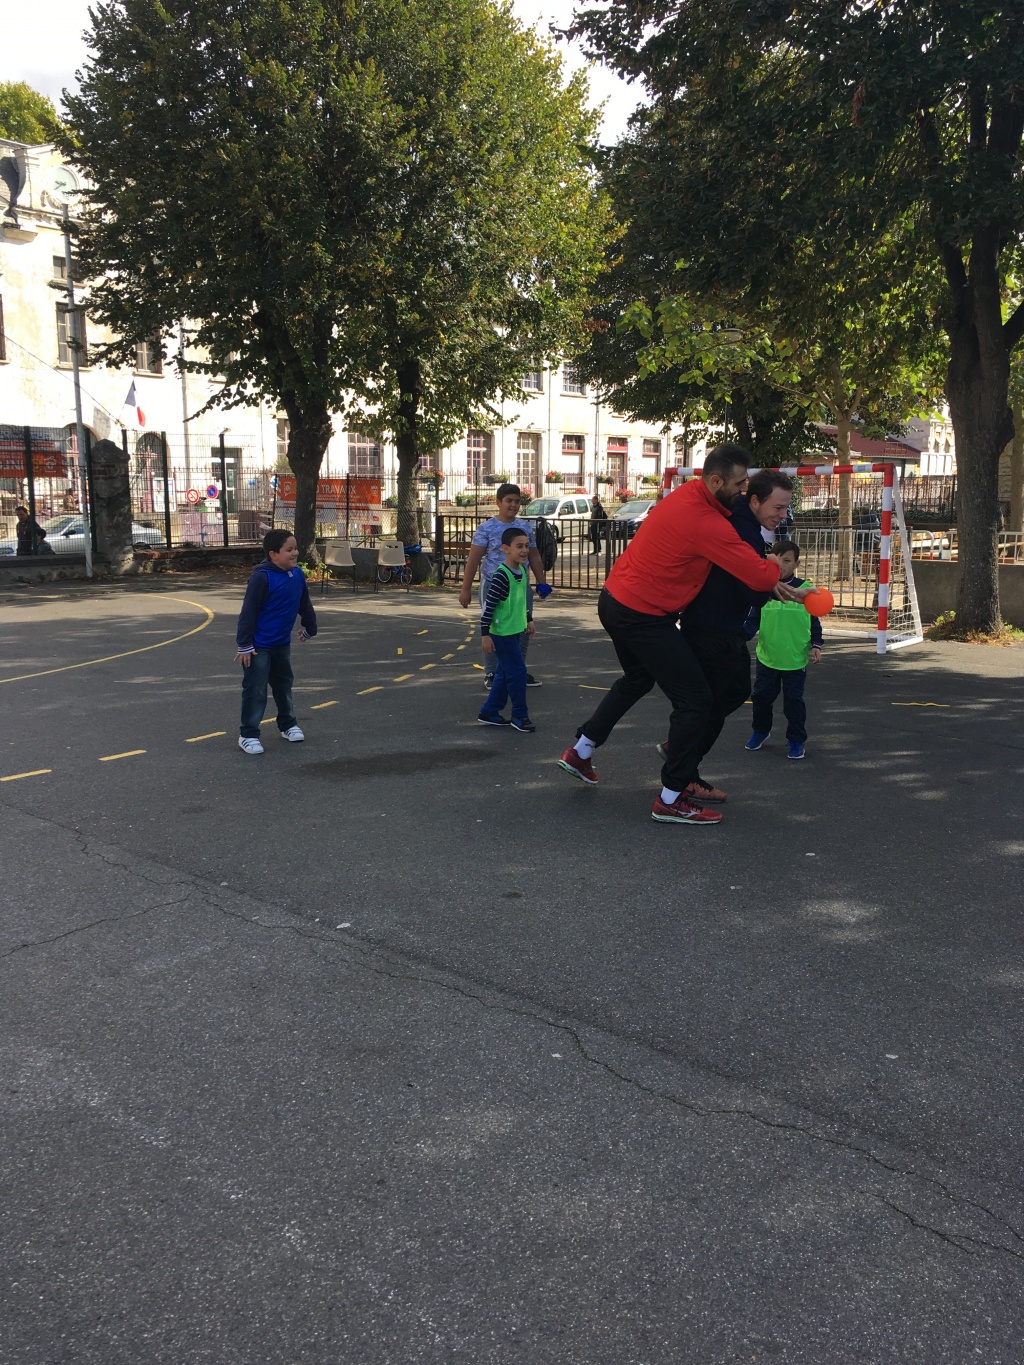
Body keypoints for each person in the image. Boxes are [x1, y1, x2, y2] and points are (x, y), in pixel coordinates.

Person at [555, 445, 805, 826]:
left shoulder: (686, 494)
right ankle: (671, 798)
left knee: (639, 678)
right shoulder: (704, 521)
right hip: (643, 615)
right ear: (717, 481)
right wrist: (772, 565)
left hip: (615, 600)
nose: (742, 491)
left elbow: (740, 533)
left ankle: (582, 749)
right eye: (739, 484)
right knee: (696, 700)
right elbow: (757, 578)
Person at [661, 470, 796, 803]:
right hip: (711, 628)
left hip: (722, 626)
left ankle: (680, 754)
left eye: (786, 508)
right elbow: (752, 593)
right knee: (709, 702)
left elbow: (751, 583)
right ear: (754, 500)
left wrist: (769, 579)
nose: (783, 515)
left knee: (730, 694)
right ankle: (680, 774)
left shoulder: (740, 520)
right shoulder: (743, 533)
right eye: (777, 508)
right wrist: (772, 571)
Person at [235, 528, 318, 755]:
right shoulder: (262, 577)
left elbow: (304, 603)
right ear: (273, 554)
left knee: (283, 686)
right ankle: (248, 734)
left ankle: (288, 724)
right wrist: (244, 645)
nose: (295, 553)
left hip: (281, 644)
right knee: (256, 690)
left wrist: (311, 627)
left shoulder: (297, 574)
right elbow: (248, 612)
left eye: (296, 548)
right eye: (289, 549)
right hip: (258, 646)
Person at [458, 482, 548, 689]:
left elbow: (533, 555)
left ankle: (518, 669)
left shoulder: (524, 527)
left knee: (524, 627)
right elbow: (473, 560)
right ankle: (491, 672)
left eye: (517, 501)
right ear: (499, 502)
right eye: (509, 501)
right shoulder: (487, 528)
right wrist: (465, 590)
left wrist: (541, 582)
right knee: (494, 627)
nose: (513, 505)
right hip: (494, 584)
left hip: (519, 586)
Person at [744, 539, 822, 760]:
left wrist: (816, 644)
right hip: (767, 656)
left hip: (794, 659)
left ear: (796, 563)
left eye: (787, 561)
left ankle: (796, 740)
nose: (781, 565)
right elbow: (753, 620)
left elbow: (814, 622)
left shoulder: (805, 590)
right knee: (760, 698)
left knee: (793, 703)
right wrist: (738, 638)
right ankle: (760, 731)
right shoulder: (764, 590)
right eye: (777, 560)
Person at [478, 527, 536, 733]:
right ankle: (519, 716)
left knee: (504, 672)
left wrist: (528, 619)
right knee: (518, 672)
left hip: (514, 630)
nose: (524, 550)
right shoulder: (501, 576)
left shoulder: (521, 571)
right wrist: (485, 635)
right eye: (519, 546)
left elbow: (521, 602)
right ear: (505, 549)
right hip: (501, 634)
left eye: (527, 546)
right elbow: (488, 607)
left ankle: (490, 711)